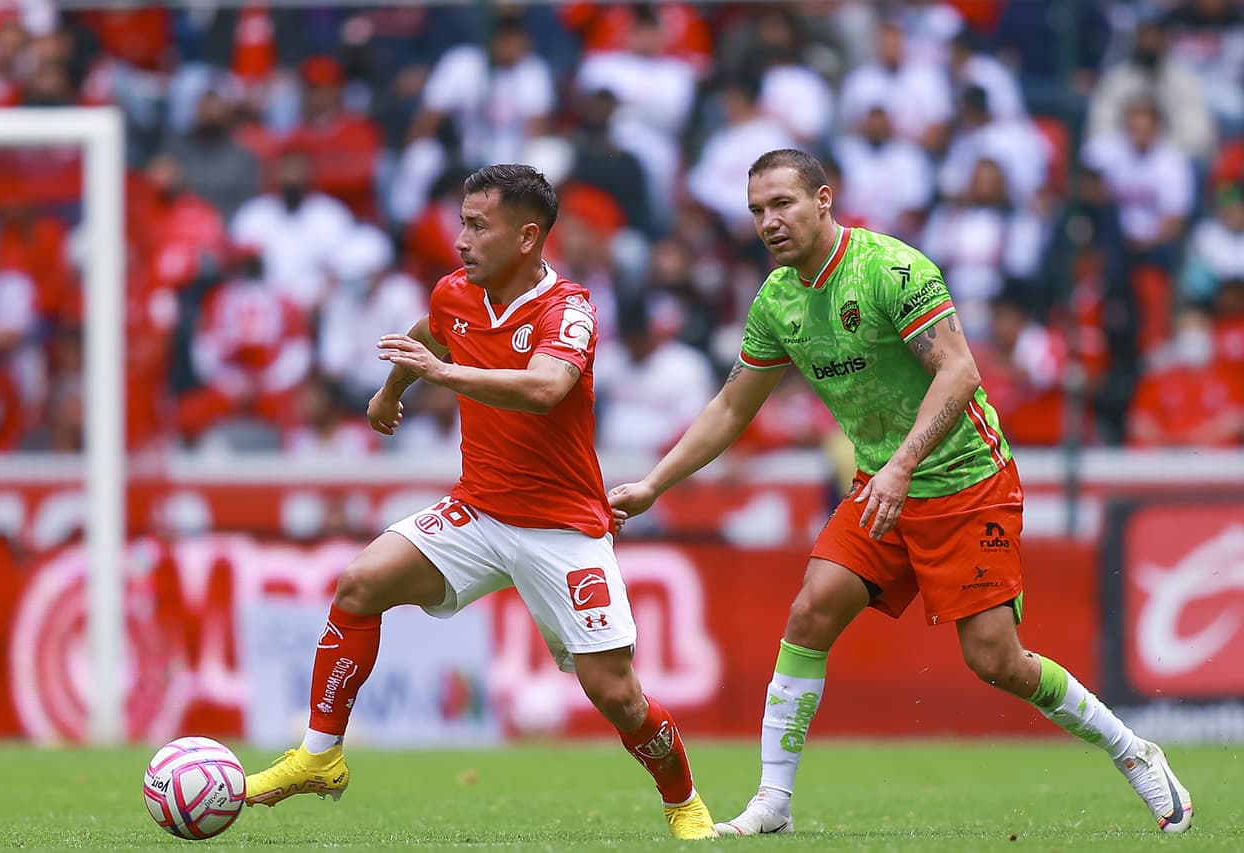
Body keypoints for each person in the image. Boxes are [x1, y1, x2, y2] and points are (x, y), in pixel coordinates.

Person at [608, 149, 1193, 837]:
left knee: (996, 661)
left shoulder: (891, 268)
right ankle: (773, 801)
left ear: (824, 200)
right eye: (757, 211)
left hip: (966, 482)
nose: (768, 222)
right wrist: (655, 481)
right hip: (882, 485)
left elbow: (960, 372)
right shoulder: (777, 300)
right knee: (810, 610)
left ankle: (1134, 751)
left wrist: (901, 464)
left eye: (782, 204)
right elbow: (733, 408)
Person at [243, 164, 716, 840]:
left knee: (617, 693)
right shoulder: (455, 293)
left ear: (527, 236)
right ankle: (319, 757)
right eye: (461, 221)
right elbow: (430, 329)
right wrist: (392, 392)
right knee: (359, 583)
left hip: (562, 528)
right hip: (480, 510)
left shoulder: (569, 308)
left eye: (476, 225)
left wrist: (440, 374)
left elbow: (545, 388)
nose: (460, 238)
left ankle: (683, 802)